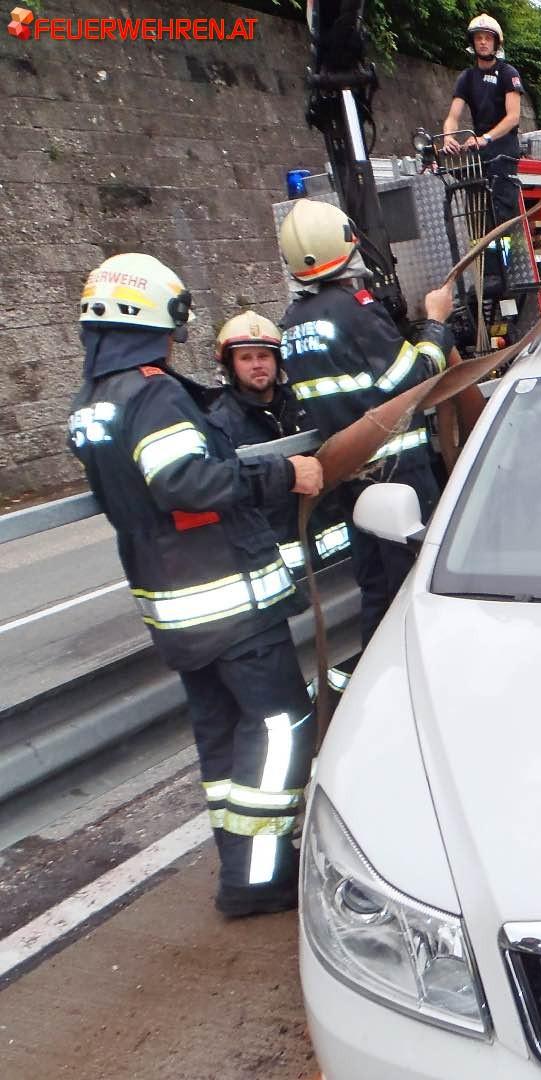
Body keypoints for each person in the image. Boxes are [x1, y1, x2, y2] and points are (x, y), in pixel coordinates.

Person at [68, 254, 324, 917]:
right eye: (176, 320)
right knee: (278, 726)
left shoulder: (93, 399)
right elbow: (184, 481)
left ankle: (240, 861)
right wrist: (282, 476)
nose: (177, 336)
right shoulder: (151, 392)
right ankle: (262, 876)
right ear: (151, 316)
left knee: (220, 733)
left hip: (174, 608)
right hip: (227, 600)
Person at [277, 199, 454, 645]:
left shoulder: (292, 323)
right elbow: (412, 380)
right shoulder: (355, 308)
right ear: (347, 243)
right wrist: (435, 324)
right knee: (415, 582)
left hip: (349, 476)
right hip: (399, 475)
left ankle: (382, 675)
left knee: (376, 585)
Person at [207, 311, 356, 696]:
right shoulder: (220, 423)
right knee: (297, 651)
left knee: (345, 635)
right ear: (230, 365)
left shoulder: (303, 403)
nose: (258, 365)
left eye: (264, 355)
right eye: (246, 357)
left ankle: (342, 692)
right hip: (276, 563)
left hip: (334, 557)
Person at [441, 13, 524, 227]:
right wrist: (449, 138)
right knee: (478, 219)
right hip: (480, 155)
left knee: (502, 220)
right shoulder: (467, 77)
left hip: (503, 152)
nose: (483, 42)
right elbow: (452, 116)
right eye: (478, 38)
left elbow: (513, 117)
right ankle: (484, 258)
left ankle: (505, 259)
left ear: (496, 42)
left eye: (488, 37)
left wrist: (485, 138)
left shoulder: (508, 73)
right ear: (473, 43)